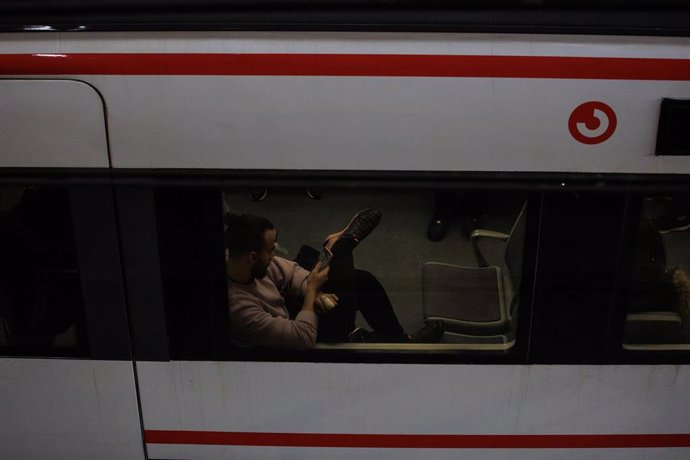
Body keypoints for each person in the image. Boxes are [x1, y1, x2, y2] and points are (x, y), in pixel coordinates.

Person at [225, 209, 444, 350]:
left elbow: (290, 274)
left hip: (291, 312)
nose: (274, 255)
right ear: (252, 257)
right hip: (298, 342)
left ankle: (402, 343)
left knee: (361, 281)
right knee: (345, 302)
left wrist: (315, 293)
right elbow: (302, 338)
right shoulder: (240, 310)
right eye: (271, 250)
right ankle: (340, 248)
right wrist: (312, 294)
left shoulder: (246, 263)